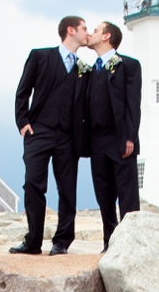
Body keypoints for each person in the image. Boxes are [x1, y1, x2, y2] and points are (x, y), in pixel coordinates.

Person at [12, 15, 90, 255]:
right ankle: (33, 241)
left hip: (68, 137)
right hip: (39, 132)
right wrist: (23, 123)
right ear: (70, 30)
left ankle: (62, 242)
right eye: (84, 28)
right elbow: (23, 91)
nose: (87, 33)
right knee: (33, 185)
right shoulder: (40, 56)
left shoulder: (83, 68)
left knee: (68, 189)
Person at [82, 21, 142, 250]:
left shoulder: (129, 66)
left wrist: (130, 137)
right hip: (96, 140)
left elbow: (132, 105)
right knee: (103, 193)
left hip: (120, 138)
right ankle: (109, 242)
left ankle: (131, 243)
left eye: (95, 30)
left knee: (127, 194)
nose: (90, 33)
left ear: (106, 36)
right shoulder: (89, 70)